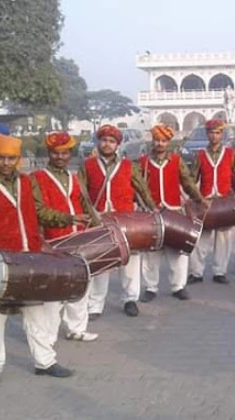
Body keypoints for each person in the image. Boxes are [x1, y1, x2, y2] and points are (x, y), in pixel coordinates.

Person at [0, 133, 83, 389]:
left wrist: (69, 219)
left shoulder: (27, 182)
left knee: (37, 314)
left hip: (29, 259)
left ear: (18, 159)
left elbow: (41, 212)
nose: (5, 162)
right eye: (0, 157)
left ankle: (45, 362)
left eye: (11, 158)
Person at [78, 124, 156, 319]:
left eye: (111, 141)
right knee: (100, 262)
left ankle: (130, 299)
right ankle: (96, 305)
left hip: (127, 221)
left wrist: (153, 208)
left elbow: (142, 189)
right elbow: (81, 193)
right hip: (99, 220)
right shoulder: (87, 165)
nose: (107, 144)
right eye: (104, 140)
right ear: (99, 142)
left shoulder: (129, 166)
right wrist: (88, 215)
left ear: (117, 145)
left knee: (130, 261)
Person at [33, 132, 100, 343]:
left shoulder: (74, 177)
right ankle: (48, 337)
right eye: (56, 153)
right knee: (55, 289)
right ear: (48, 153)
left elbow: (85, 204)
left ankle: (76, 328)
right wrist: (69, 218)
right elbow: (37, 209)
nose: (60, 157)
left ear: (70, 154)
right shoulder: (36, 178)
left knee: (81, 283)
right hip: (53, 239)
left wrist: (98, 230)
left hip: (78, 237)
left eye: (64, 153)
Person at [139, 124, 205, 303]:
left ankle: (178, 286)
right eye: (157, 140)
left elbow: (188, 183)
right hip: (151, 214)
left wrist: (199, 199)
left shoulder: (176, 161)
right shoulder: (143, 162)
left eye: (163, 140)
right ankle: (150, 287)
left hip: (174, 211)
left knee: (177, 251)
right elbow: (137, 187)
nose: (160, 143)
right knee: (150, 252)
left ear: (169, 142)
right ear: (152, 141)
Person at [188, 119, 235, 285]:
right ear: (207, 134)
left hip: (225, 202)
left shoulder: (230, 154)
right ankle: (196, 272)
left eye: (217, 133)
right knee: (200, 239)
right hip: (205, 202)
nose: (214, 136)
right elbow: (192, 179)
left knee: (224, 239)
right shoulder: (200, 155)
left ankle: (219, 271)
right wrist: (192, 199)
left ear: (221, 134)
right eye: (211, 133)